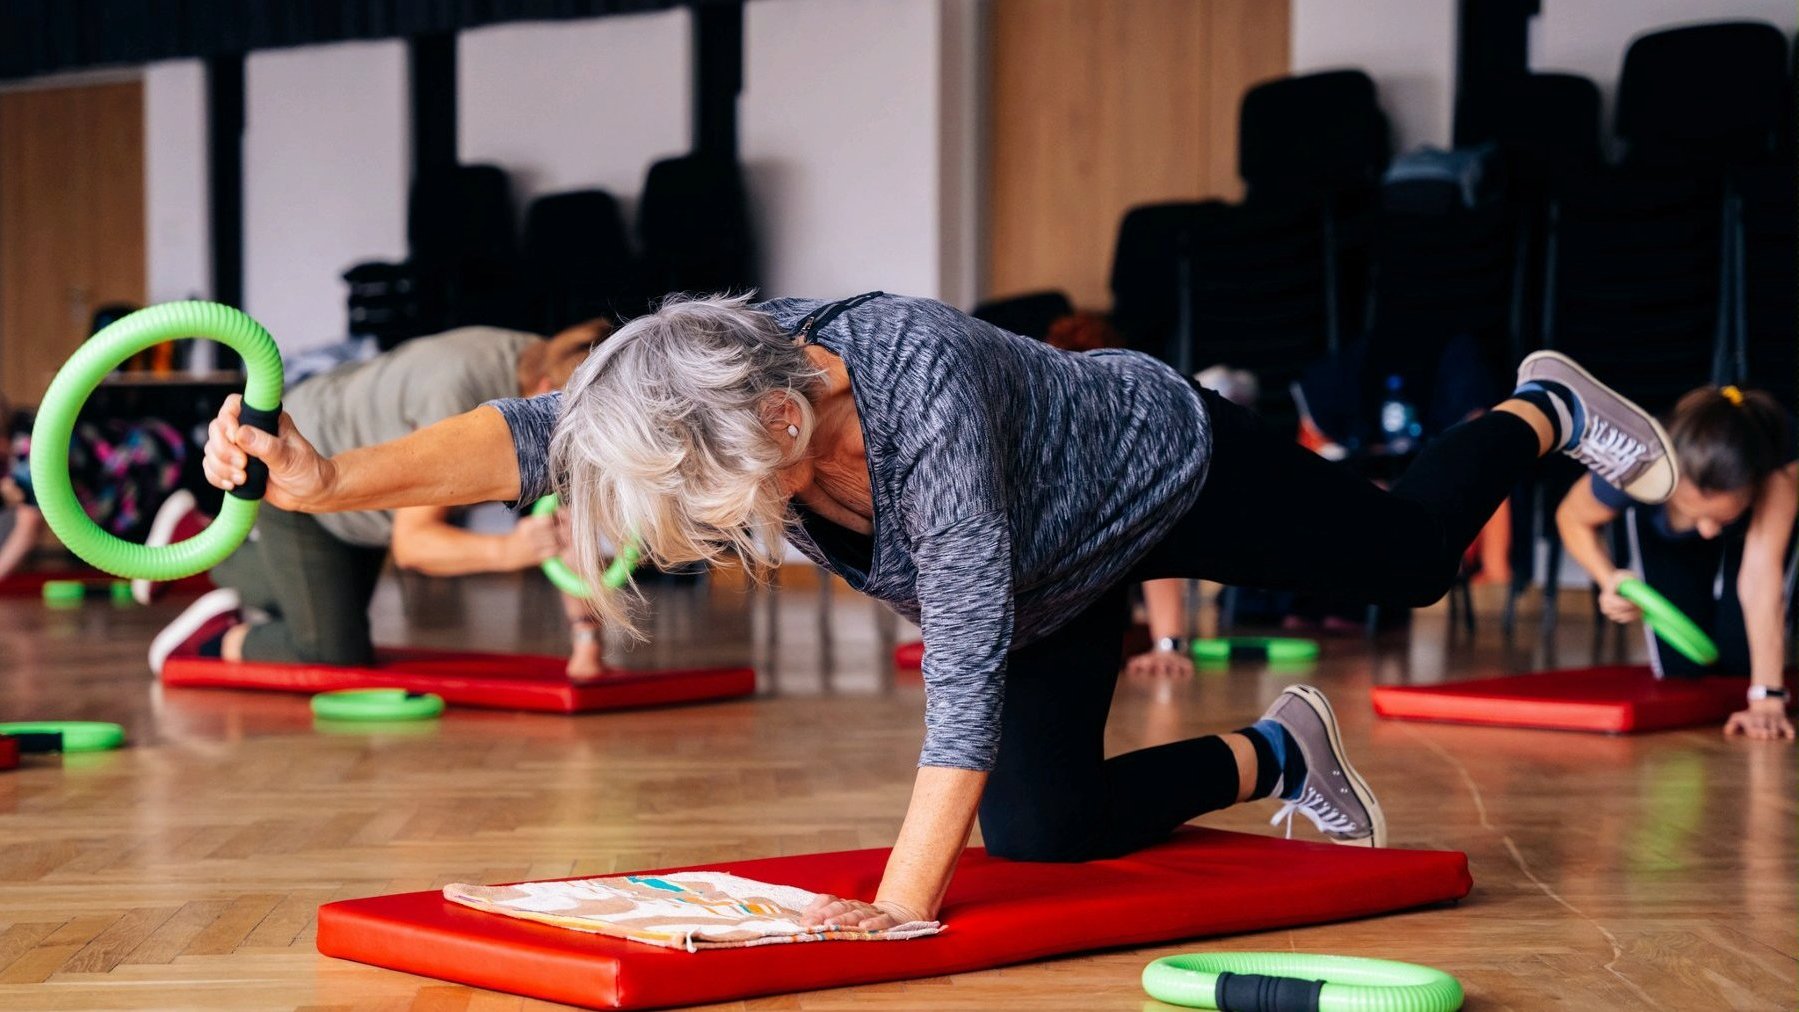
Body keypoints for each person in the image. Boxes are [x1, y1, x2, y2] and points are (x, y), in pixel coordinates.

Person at [198, 291, 1679, 934]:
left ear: (786, 428)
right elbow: (529, 435)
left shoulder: (915, 396)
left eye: (722, 501)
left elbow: (958, 665)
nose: (712, 537)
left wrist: (892, 917)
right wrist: (323, 481)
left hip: (1157, 475)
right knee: (1041, 833)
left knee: (1412, 558)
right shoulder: (695, 364)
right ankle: (1281, 756)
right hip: (1049, 574)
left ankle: (1537, 409)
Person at [151, 320, 607, 678]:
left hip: (360, 487)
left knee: (322, 601)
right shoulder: (466, 398)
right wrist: (509, 551)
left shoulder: (549, 360)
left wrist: (587, 645)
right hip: (302, 470)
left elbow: (566, 521)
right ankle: (212, 631)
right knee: (333, 653)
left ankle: (190, 537)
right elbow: (414, 545)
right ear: (547, 389)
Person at [1558, 385, 1796, 740]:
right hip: (1663, 529)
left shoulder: (1776, 474)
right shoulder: (1636, 463)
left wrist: (1767, 697)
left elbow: (1761, 578)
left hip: (1757, 528)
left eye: (1721, 517)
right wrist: (1608, 579)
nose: (1708, 532)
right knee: (1681, 670)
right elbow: (1572, 517)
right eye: (1695, 514)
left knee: (1742, 663)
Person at [0, 400, 189, 584]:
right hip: (153, 448)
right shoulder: (23, 428)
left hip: (152, 472)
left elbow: (28, 532)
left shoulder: (28, 451)